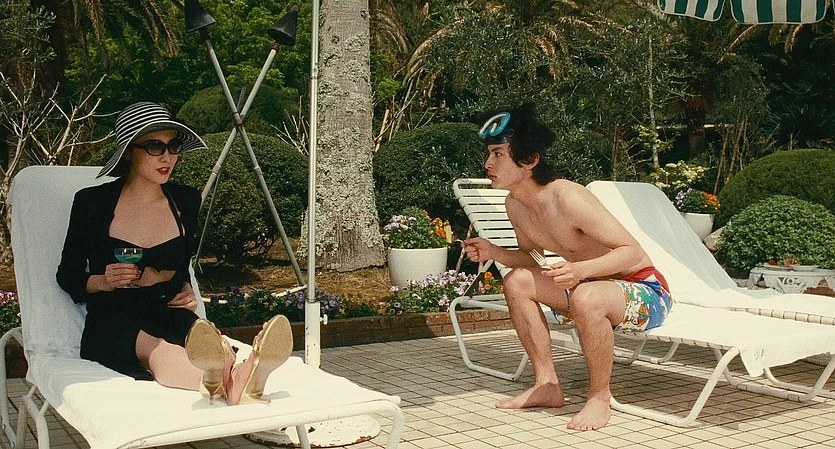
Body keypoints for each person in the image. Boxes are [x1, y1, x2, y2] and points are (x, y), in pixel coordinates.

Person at [56, 101, 292, 405]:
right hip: (112, 316)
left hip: (166, 307)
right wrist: (103, 280)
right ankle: (237, 381)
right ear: (128, 152)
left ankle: (232, 375)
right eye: (154, 146)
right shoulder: (92, 203)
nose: (167, 157)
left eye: (174, 146)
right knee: (158, 350)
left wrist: (185, 288)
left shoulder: (185, 201)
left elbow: (180, 264)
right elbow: (68, 275)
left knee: (213, 346)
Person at [462, 105, 672, 431]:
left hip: (646, 290)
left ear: (530, 160)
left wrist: (580, 271)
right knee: (517, 281)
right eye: (489, 154)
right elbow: (531, 257)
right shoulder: (515, 204)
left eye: (498, 154)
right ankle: (547, 384)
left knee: (587, 296)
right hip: (587, 287)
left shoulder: (568, 198)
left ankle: (599, 398)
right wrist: (494, 251)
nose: (488, 164)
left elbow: (632, 252)